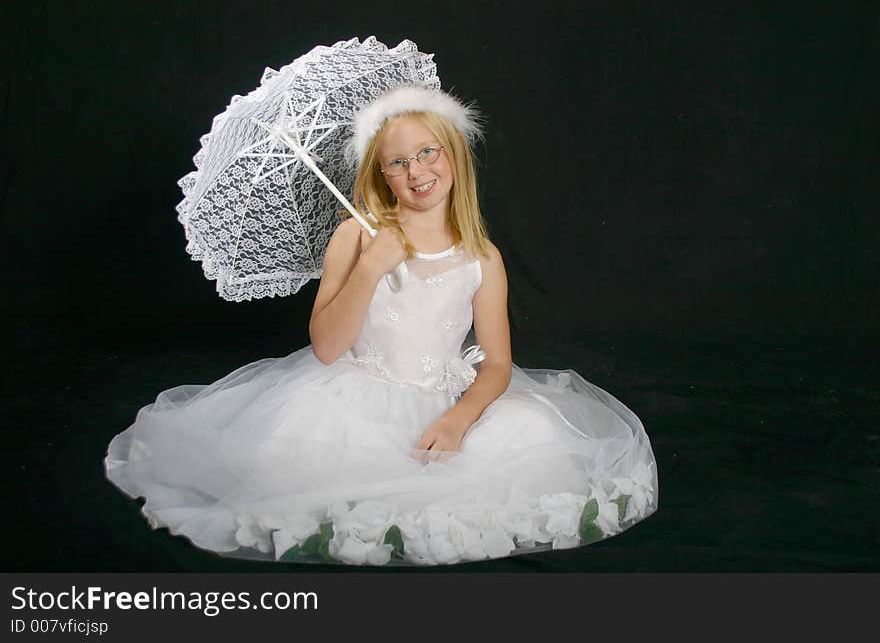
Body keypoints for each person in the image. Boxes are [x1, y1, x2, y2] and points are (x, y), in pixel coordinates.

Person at [105, 84, 659, 566]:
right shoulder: (355, 236)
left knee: (527, 441)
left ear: (455, 153)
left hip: (443, 398)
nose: (416, 171)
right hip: (353, 396)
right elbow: (325, 348)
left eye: (427, 153)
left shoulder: (482, 256)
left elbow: (495, 363)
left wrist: (462, 416)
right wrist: (371, 267)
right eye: (397, 162)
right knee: (302, 465)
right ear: (380, 174)